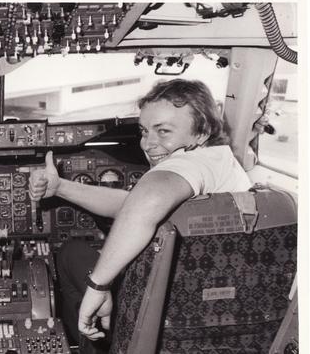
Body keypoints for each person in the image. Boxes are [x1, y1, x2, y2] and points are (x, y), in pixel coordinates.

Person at [28, 79, 252, 349]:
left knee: (70, 253)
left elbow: (149, 199)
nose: (147, 144)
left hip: (155, 301)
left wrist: (98, 285)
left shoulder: (191, 162)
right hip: (204, 303)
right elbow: (132, 205)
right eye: (144, 131)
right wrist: (61, 187)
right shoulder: (218, 161)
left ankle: (94, 340)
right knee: (78, 253)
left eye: (164, 131)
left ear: (201, 132)